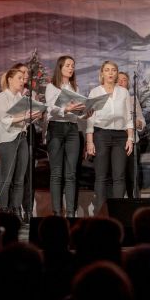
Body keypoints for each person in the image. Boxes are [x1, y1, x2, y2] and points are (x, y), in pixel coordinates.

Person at [85, 61, 134, 214]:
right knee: (101, 177)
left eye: (113, 70)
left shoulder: (123, 92)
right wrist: (90, 141)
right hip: (101, 135)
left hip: (120, 136)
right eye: (107, 70)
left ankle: (117, 213)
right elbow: (90, 119)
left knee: (119, 176)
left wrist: (130, 138)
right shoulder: (95, 92)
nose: (110, 73)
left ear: (117, 73)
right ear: (102, 73)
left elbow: (128, 117)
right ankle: (101, 213)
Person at [0, 67, 42, 214]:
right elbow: (5, 119)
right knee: (7, 178)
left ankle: (16, 210)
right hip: (7, 140)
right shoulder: (2, 97)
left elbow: (24, 122)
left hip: (22, 138)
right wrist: (24, 116)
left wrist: (34, 116)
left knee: (20, 179)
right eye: (19, 78)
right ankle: (4, 210)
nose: (22, 81)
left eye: (23, 78)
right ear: (10, 80)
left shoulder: (21, 98)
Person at [45, 56, 87, 217]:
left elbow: (78, 113)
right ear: (60, 67)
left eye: (73, 66)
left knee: (71, 174)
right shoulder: (52, 86)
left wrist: (86, 112)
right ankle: (57, 213)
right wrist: (66, 109)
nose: (71, 68)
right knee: (57, 173)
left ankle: (70, 213)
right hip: (56, 128)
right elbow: (51, 109)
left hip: (72, 129)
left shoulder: (75, 87)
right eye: (68, 65)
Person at [118, 70, 146, 198]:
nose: (121, 82)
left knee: (132, 177)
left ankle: (132, 202)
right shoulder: (109, 99)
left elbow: (142, 122)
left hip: (133, 142)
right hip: (115, 141)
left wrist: (137, 123)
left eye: (124, 80)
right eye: (118, 80)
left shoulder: (132, 100)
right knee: (118, 176)